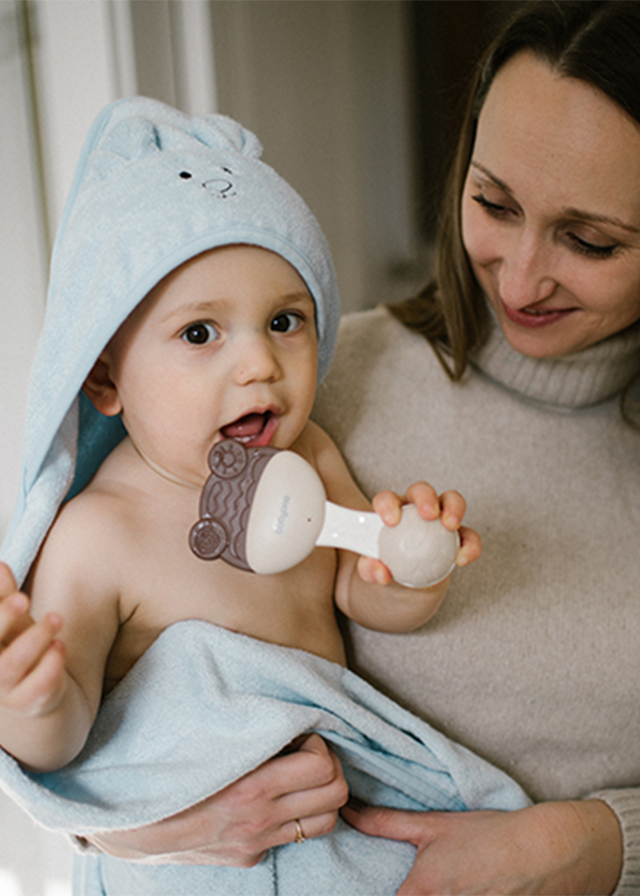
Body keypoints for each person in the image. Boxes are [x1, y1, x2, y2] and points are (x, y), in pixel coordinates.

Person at [58, 2, 640, 894]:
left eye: (590, 240)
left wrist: (597, 846)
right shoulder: (287, 398)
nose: (521, 277)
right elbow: (77, 723)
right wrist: (149, 826)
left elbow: (365, 589)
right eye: (492, 202)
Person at [0, 97, 531, 895]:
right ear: (106, 376)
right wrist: (30, 700)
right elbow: (68, 741)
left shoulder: (310, 456)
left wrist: (409, 569)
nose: (258, 364)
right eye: (201, 334)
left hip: (328, 824)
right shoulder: (97, 535)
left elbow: (358, 592)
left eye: (284, 321)